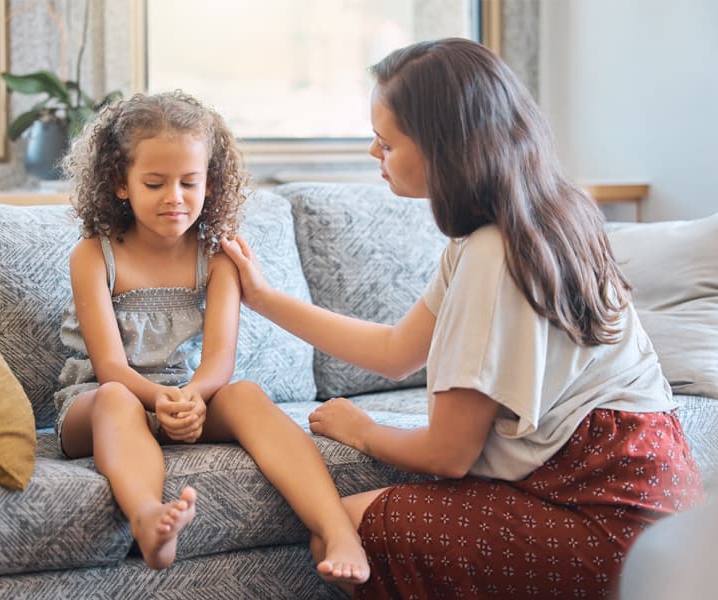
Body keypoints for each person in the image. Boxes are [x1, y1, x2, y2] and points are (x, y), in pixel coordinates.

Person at [221, 39, 704, 598]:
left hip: (605, 520)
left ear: (444, 149)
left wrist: (364, 431)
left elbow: (448, 455)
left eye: (386, 142)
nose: (374, 154)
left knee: (345, 532)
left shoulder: (493, 255)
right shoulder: (542, 214)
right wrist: (263, 298)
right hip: (653, 496)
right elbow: (397, 351)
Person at [53, 91, 369, 581]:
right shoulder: (94, 255)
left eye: (189, 182)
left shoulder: (217, 258)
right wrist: (162, 400)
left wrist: (193, 399)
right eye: (154, 183)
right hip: (101, 402)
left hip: (190, 395)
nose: (174, 197)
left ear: (211, 184)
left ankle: (337, 527)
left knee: (245, 394)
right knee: (116, 397)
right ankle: (148, 521)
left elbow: (219, 362)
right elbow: (111, 366)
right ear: (121, 183)